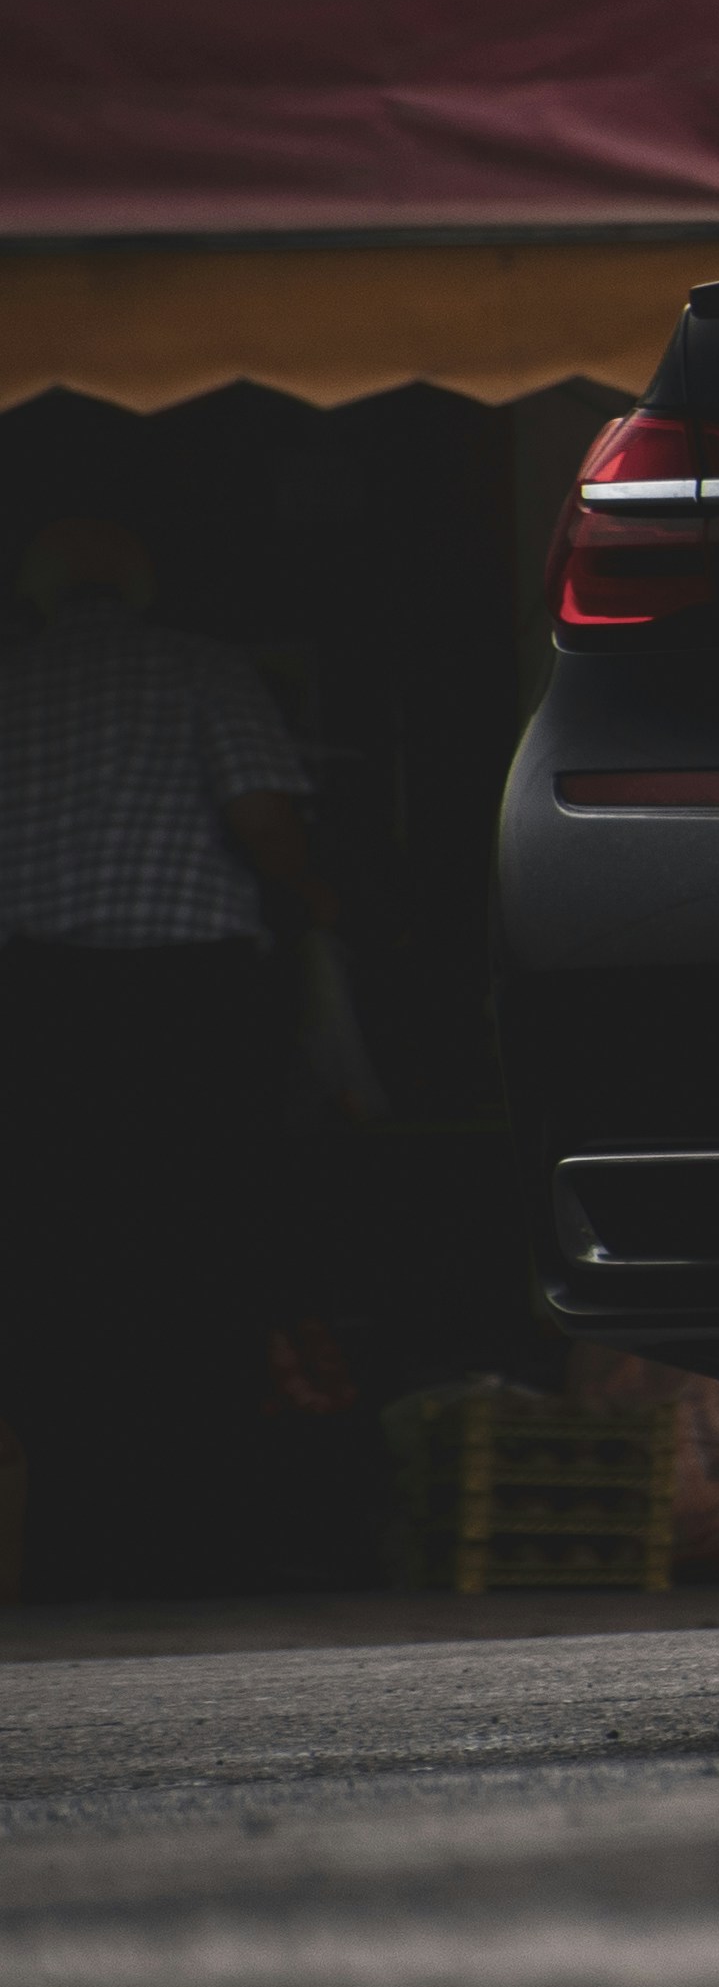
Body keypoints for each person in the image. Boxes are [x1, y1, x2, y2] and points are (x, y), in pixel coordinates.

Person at [0, 518, 328, 1590]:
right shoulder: (204, 669)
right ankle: (200, 1528)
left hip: (39, 999)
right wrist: (348, 910)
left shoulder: (12, 683)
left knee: (63, 1256)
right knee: (198, 1247)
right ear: (142, 586)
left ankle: (73, 1531)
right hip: (188, 1001)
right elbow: (265, 823)